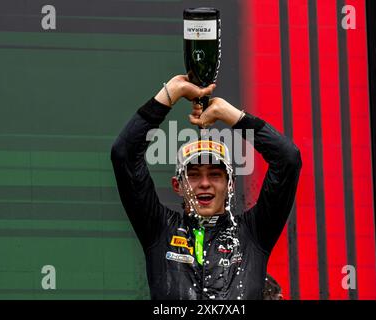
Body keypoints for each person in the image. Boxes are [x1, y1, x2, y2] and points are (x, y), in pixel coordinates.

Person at [111, 75, 302, 300]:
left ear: (230, 183)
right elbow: (124, 154)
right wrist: (172, 92)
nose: (204, 183)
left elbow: (288, 159)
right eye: (193, 175)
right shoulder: (160, 229)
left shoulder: (252, 234)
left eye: (215, 174)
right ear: (178, 185)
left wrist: (231, 116)